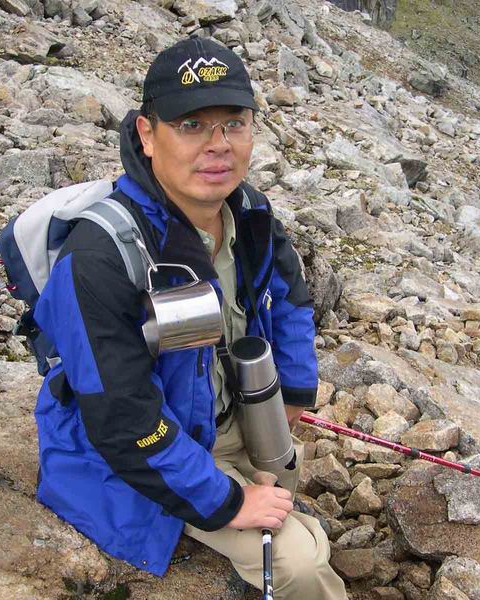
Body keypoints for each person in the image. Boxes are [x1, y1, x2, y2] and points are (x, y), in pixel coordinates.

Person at [32, 36, 347, 599]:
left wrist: (295, 391)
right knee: (300, 562)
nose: (218, 145)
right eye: (192, 125)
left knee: (289, 480)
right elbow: (124, 418)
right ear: (147, 135)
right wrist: (228, 500)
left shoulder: (247, 212)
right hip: (152, 445)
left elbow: (290, 296)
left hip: (235, 413)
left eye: (234, 124)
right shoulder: (99, 258)